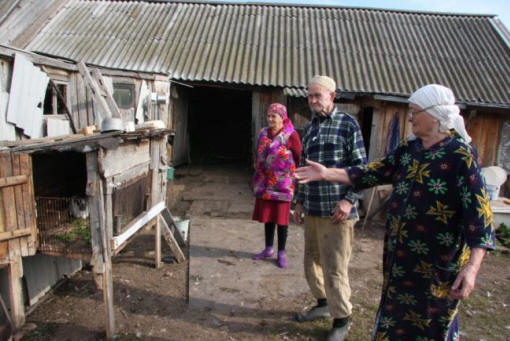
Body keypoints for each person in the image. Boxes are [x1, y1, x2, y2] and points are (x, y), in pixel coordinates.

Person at [295, 84, 496, 340]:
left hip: (437, 264)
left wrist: (472, 268)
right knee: (395, 318)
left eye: (414, 111)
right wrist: (326, 173)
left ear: (435, 115)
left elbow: (480, 216)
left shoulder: (461, 156)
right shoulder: (409, 150)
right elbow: (371, 172)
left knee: (431, 322)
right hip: (400, 261)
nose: (410, 117)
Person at [293, 75, 367, 341]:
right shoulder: (310, 127)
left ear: (332, 96)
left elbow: (361, 169)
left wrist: (350, 199)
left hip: (338, 211)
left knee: (334, 267)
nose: (313, 100)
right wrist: (299, 202)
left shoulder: (348, 125)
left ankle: (342, 319)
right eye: (310, 96)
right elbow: (303, 169)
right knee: (311, 262)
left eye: (318, 95)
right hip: (313, 207)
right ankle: (324, 305)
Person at [252, 103, 302, 268]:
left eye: (274, 116)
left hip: (283, 185)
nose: (271, 119)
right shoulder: (263, 133)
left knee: (282, 220)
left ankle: (281, 252)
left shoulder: (291, 136)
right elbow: (258, 154)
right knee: (268, 217)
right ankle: (268, 249)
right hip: (265, 183)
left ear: (283, 117)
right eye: (269, 116)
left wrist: (293, 177)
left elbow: (299, 156)